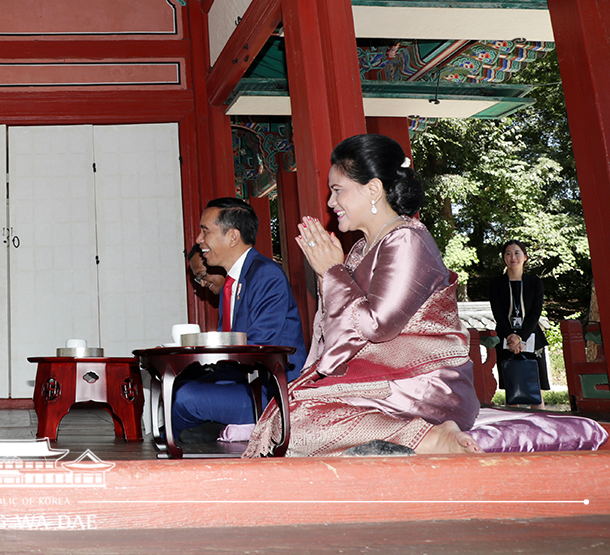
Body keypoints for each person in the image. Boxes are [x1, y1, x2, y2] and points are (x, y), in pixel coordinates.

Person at [246, 133, 481, 458]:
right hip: (384, 380)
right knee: (285, 418)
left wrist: (333, 272)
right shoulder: (359, 249)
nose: (330, 203)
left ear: (373, 189)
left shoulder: (407, 239)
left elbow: (377, 326)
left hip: (422, 383)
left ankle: (427, 438)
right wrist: (329, 274)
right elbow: (339, 330)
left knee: (295, 424)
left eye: (338, 190)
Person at [171, 198, 307, 443]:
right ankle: (214, 432)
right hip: (244, 379)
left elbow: (259, 346)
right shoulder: (232, 282)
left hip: (269, 390)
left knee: (184, 397)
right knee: (177, 385)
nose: (199, 240)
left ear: (233, 237)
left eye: (205, 231)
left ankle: (173, 443)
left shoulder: (266, 274)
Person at [490, 240, 549, 408]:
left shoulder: (534, 282)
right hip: (505, 339)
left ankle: (540, 428)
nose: (513, 257)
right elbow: (498, 313)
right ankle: (514, 430)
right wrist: (511, 337)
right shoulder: (496, 284)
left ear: (525, 257)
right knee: (512, 388)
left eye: (517, 253)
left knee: (535, 390)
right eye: (508, 253)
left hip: (532, 337)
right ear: (504, 259)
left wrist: (520, 337)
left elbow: (535, 313)